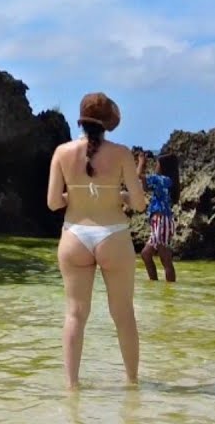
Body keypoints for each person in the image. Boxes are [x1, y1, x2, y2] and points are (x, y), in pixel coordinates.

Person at [47, 92, 147, 391]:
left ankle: (71, 387)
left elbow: (53, 203)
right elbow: (140, 204)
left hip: (74, 235)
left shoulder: (62, 152)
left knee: (75, 314)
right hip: (113, 235)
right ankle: (132, 386)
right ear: (107, 123)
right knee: (124, 314)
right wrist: (118, 195)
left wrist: (76, 195)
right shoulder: (121, 153)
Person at [140, 153, 180, 283]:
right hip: (162, 221)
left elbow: (138, 176)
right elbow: (145, 187)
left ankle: (169, 287)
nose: (156, 166)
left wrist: (141, 162)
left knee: (164, 257)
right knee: (147, 254)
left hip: (161, 221)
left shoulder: (160, 179)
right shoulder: (168, 181)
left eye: (157, 164)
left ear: (163, 167)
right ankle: (156, 285)